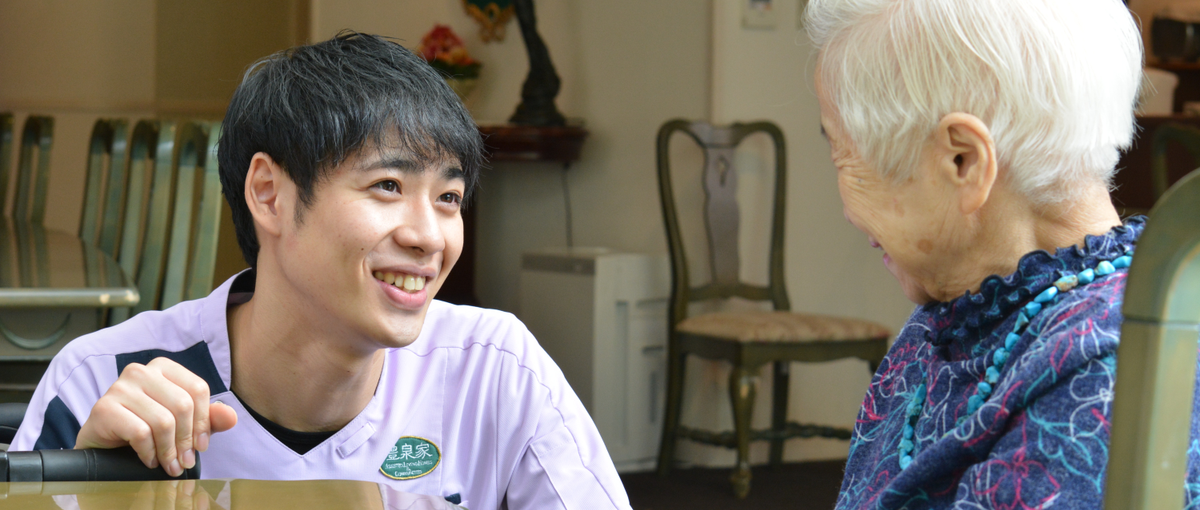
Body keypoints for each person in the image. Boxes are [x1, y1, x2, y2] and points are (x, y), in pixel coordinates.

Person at [11, 31, 632, 510]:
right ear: (269, 194)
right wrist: (89, 487)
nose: (427, 237)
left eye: (448, 198)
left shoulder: (494, 371)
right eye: (387, 185)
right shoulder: (104, 383)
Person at [803, 0, 1200, 508]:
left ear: (962, 160)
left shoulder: (1108, 373)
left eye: (844, 150)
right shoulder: (965, 310)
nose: (846, 210)